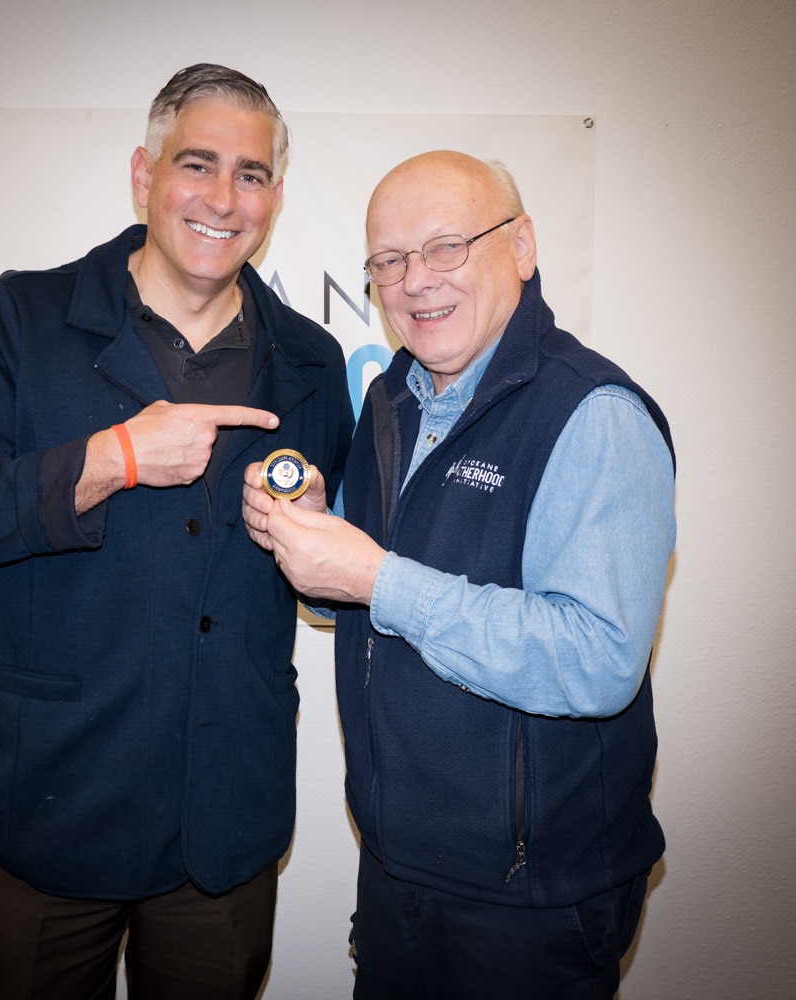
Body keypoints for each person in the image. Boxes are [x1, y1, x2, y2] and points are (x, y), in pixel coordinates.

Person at [0, 64, 353, 1000]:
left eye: (252, 174)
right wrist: (111, 460)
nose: (224, 198)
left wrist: (315, 552)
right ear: (144, 173)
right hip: (48, 806)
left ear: (274, 195)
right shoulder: (23, 317)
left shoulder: (311, 357)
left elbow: (321, 571)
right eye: (198, 163)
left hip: (224, 816)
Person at [242, 150, 676, 999]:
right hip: (401, 865)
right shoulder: (393, 398)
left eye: (446, 247)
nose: (415, 282)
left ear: (521, 246)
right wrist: (320, 551)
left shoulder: (594, 415)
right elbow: (378, 603)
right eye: (389, 261)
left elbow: (596, 660)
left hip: (531, 897)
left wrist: (376, 578)